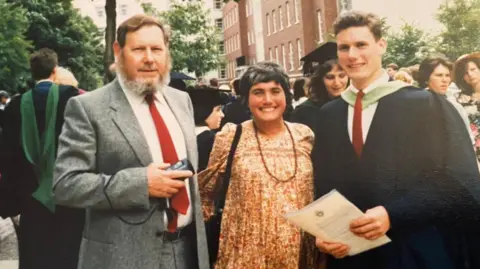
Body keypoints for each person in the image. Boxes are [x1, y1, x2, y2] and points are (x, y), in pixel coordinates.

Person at [313, 11, 480, 269]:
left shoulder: (425, 106)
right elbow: (325, 185)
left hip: (413, 250)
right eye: (344, 47)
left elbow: (458, 181)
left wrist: (394, 214)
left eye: (361, 45)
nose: (352, 55)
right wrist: (325, 233)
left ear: (382, 45)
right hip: (352, 257)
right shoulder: (329, 115)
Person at [53, 14, 209, 269]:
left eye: (156, 49)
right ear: (118, 51)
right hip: (122, 258)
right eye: (138, 49)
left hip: (187, 253)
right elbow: (65, 185)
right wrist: (140, 183)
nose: (149, 58)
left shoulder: (182, 101)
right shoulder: (88, 107)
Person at [199, 62, 322, 269]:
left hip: (298, 255)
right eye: (258, 92)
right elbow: (205, 196)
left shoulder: (304, 135)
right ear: (247, 100)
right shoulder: (230, 137)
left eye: (275, 91)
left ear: (286, 96)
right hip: (244, 256)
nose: (267, 100)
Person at [0, 48, 82, 269]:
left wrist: (8, 201)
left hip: (29, 196)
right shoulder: (72, 99)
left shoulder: (15, 106)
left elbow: (6, 156)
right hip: (66, 193)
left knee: (34, 254)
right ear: (55, 71)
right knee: (66, 253)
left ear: (32, 72)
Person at [291, 42, 349, 131]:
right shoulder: (306, 112)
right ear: (320, 79)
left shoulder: (354, 105)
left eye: (342, 76)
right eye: (330, 77)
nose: (337, 83)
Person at [418, 55, 474, 144]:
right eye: (439, 75)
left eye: (447, 75)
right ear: (426, 78)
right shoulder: (418, 104)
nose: (444, 80)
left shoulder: (455, 105)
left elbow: (468, 138)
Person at [186, 86, 227, 172]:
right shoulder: (211, 140)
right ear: (204, 110)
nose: (222, 115)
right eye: (218, 110)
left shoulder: (181, 135)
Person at [455, 52, 480, 160]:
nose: (470, 74)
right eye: (465, 73)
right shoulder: (460, 98)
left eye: (473, 69)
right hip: (470, 149)